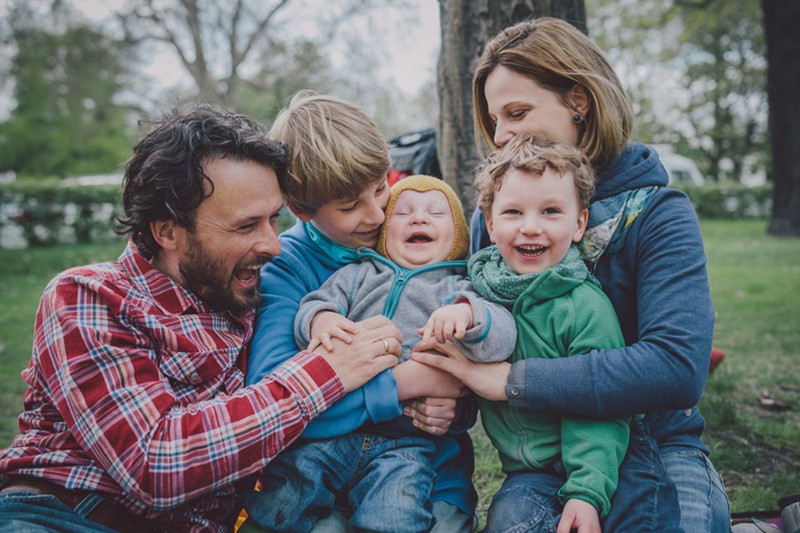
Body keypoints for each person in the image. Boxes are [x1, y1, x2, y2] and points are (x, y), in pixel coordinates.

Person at [0, 104, 401, 533]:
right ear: (168, 231)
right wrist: (328, 370)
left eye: (274, 220)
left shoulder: (251, 292)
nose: (273, 245)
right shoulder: (88, 297)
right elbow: (158, 464)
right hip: (65, 513)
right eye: (246, 226)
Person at [412, 17, 729, 533]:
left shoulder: (657, 213)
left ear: (578, 100)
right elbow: (474, 331)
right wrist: (445, 396)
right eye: (494, 120)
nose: (501, 135)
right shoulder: (495, 219)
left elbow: (677, 367)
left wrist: (511, 382)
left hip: (655, 444)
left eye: (517, 113)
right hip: (536, 460)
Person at [243, 93, 477, 532]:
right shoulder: (288, 268)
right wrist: (407, 383)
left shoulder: (426, 243)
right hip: (321, 480)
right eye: (350, 206)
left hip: (426, 475)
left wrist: (455, 404)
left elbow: (470, 367)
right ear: (303, 211)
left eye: (380, 187)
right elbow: (271, 404)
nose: (376, 214)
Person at [471, 134, 682, 533]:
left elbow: (601, 409)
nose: (531, 228)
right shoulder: (478, 292)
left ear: (579, 222)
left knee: (642, 517)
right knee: (510, 519)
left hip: (611, 456)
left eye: (551, 211)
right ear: (490, 221)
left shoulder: (583, 305)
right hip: (531, 472)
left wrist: (586, 492)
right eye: (513, 212)